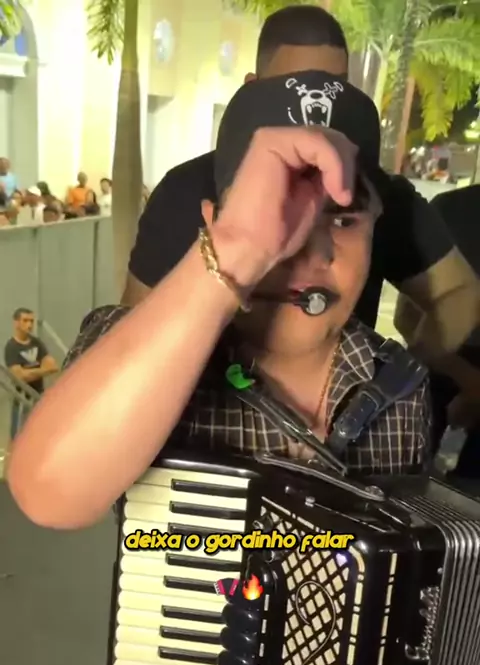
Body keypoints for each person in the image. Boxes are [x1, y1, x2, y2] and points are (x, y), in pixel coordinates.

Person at [7, 71, 432, 531]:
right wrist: (237, 248)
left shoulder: (402, 391)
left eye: (344, 221)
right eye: (276, 211)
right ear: (212, 221)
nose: (307, 252)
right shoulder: (129, 351)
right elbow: (48, 495)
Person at [125, 4, 480, 416]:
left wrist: (396, 380)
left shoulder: (380, 194)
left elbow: (459, 293)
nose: (319, 105)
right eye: (292, 85)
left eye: (334, 86)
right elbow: (133, 329)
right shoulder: (186, 188)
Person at [417, 185, 480, 476]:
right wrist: (471, 383)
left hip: (438, 361)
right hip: (439, 364)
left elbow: (408, 318)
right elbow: (409, 317)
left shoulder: (448, 206)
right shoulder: (448, 208)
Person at [4, 308, 59, 439]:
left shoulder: (36, 342)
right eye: (25, 321)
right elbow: (19, 376)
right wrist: (43, 370)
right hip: (22, 398)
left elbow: (53, 366)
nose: (29, 325)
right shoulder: (11, 347)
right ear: (16, 323)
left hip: (38, 395)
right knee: (18, 436)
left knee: (39, 433)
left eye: (31, 321)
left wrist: (28, 372)